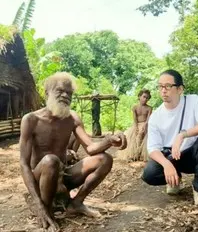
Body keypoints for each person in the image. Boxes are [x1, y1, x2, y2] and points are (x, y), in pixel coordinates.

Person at [19, 72, 127, 231]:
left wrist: (109, 140)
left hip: (64, 175)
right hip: (41, 179)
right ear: (47, 93)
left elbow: (90, 148)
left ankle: (76, 203)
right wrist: (38, 204)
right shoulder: (30, 120)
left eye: (69, 93)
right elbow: (24, 164)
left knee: (105, 159)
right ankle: (47, 211)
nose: (65, 95)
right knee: (50, 160)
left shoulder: (72, 118)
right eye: (60, 91)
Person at [141, 69, 198, 206]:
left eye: (168, 86)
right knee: (150, 174)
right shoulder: (156, 117)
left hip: (192, 155)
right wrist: (167, 165)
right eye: (160, 86)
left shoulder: (193, 101)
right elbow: (153, 148)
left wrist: (181, 135)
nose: (163, 90)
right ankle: (175, 179)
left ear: (180, 89)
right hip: (172, 157)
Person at [118, 89, 152, 161]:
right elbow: (135, 118)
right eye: (144, 97)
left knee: (142, 134)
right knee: (132, 136)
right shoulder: (135, 107)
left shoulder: (149, 108)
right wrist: (136, 126)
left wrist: (145, 126)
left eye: (147, 98)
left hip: (145, 124)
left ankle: (141, 154)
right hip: (137, 124)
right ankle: (133, 154)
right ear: (139, 96)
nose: (145, 99)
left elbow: (148, 119)